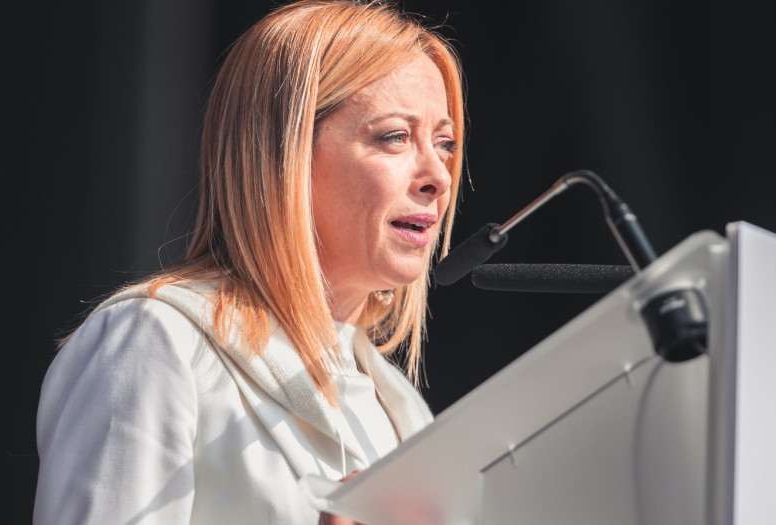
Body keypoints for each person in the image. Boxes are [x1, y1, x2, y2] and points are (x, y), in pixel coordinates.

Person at [33, 0, 466, 523]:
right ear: (284, 153)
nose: (439, 176)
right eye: (395, 137)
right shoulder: (157, 341)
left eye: (445, 144)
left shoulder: (401, 409)